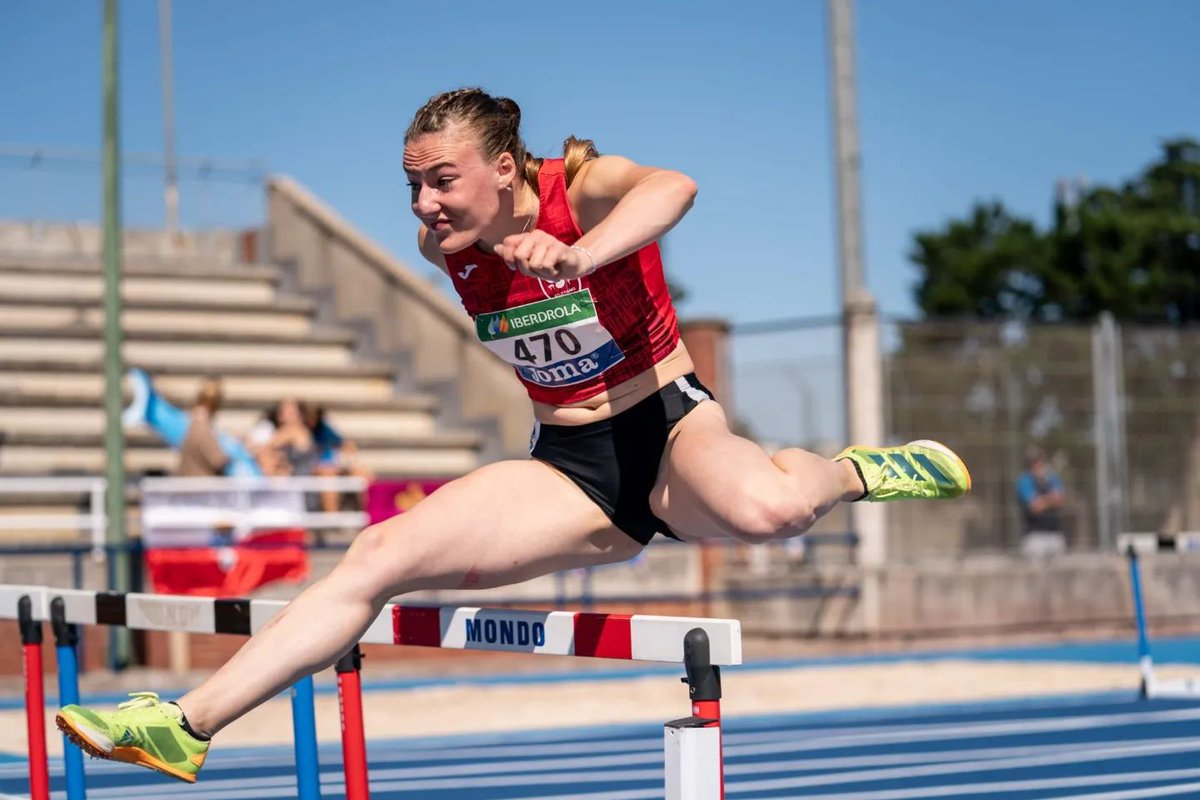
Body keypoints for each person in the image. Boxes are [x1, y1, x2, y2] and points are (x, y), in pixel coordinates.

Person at [56, 87, 972, 783]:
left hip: (668, 423)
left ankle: (851, 470)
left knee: (772, 506)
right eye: (412, 183)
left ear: (504, 169)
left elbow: (676, 187)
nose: (423, 205)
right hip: (570, 465)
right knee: (376, 554)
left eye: (441, 180)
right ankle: (185, 725)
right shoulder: (447, 246)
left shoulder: (577, 187)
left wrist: (581, 252)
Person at [123, 368, 262, 477]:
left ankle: (151, 409)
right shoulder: (200, 423)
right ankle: (150, 409)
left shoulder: (197, 422)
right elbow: (217, 459)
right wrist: (233, 453)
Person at [1017, 445, 1067, 558]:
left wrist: (1044, 500)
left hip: (1055, 535)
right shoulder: (1024, 481)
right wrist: (1051, 498)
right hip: (1035, 537)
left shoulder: (1052, 478)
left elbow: (1061, 500)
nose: (1038, 464)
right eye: (1034, 462)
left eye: (1040, 460)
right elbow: (1036, 507)